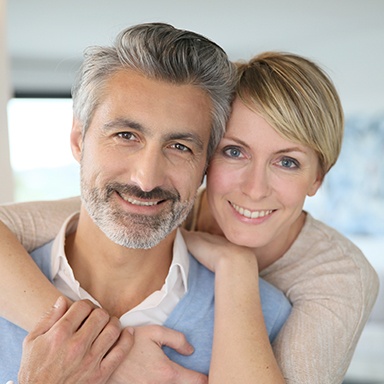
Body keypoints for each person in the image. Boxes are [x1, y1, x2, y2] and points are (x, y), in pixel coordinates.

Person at [0, 50, 379, 383]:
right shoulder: (149, 202)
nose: (255, 188)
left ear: (318, 178)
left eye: (287, 161)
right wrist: (104, 350)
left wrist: (236, 267)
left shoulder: (330, 282)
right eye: (234, 152)